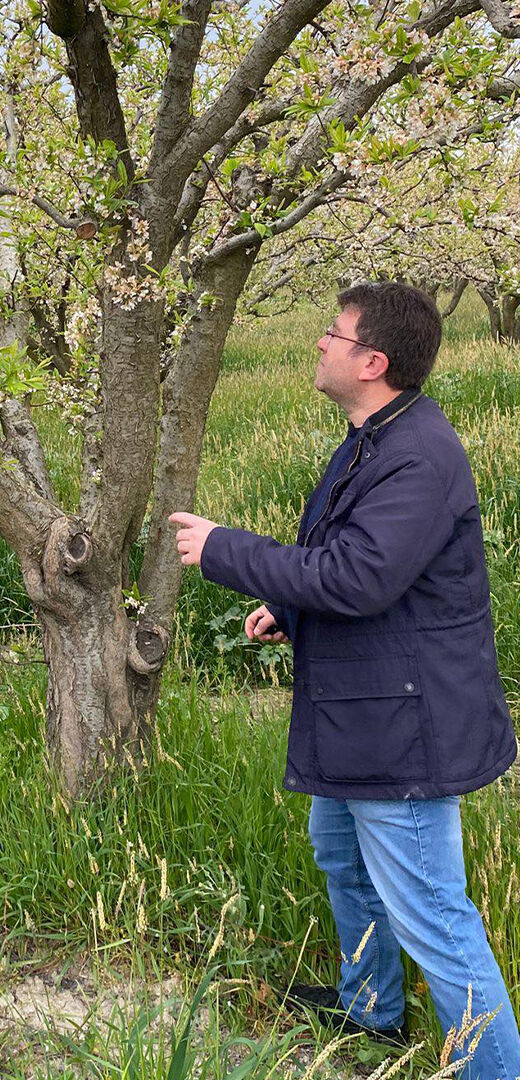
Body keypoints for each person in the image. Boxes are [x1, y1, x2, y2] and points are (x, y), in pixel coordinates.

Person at [169, 282, 518, 1077]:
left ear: (373, 361)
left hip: (406, 731)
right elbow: (363, 565)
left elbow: (360, 577)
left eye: (334, 334)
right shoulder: (372, 437)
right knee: (342, 857)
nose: (320, 343)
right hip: (365, 710)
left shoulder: (419, 455)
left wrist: (224, 548)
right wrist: (289, 611)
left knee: (435, 914)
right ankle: (372, 1009)